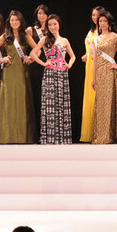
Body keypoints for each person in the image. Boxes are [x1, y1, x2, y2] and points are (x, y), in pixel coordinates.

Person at [0, 10, 37, 144]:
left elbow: (37, 49)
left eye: (16, 20)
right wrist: (0, 59)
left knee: (21, 101)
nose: (14, 22)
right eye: (12, 20)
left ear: (21, 21)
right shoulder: (6, 36)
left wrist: (31, 58)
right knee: (8, 101)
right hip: (9, 71)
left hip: (22, 72)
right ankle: (6, 136)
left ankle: (22, 136)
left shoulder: (25, 36)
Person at [29, 14, 77, 144]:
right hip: (49, 74)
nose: (52, 27)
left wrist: (69, 64)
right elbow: (32, 53)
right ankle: (49, 137)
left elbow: (73, 56)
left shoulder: (64, 41)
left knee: (61, 103)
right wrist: (44, 63)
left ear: (59, 25)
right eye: (50, 25)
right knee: (50, 105)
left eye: (54, 24)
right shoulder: (45, 39)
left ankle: (62, 137)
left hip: (62, 75)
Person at [91, 10, 117, 144]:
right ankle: (99, 135)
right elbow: (95, 59)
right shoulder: (96, 39)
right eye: (100, 21)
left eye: (105, 21)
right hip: (99, 72)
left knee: (109, 103)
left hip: (109, 72)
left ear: (109, 23)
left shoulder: (115, 36)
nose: (102, 23)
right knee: (100, 104)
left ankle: (108, 135)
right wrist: (94, 78)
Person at [25, 5, 49, 140]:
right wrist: (27, 57)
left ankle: (47, 132)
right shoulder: (31, 30)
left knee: (47, 99)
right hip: (36, 66)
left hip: (49, 65)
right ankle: (36, 133)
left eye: (44, 13)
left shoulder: (52, 28)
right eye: (39, 13)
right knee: (36, 98)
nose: (42, 16)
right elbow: (23, 45)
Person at [80, 6, 101, 142]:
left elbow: (114, 48)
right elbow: (89, 49)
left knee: (97, 97)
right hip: (89, 66)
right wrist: (86, 55)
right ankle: (89, 133)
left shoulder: (105, 31)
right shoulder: (91, 31)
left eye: (98, 15)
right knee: (89, 97)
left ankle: (99, 133)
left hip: (99, 66)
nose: (95, 18)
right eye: (93, 15)